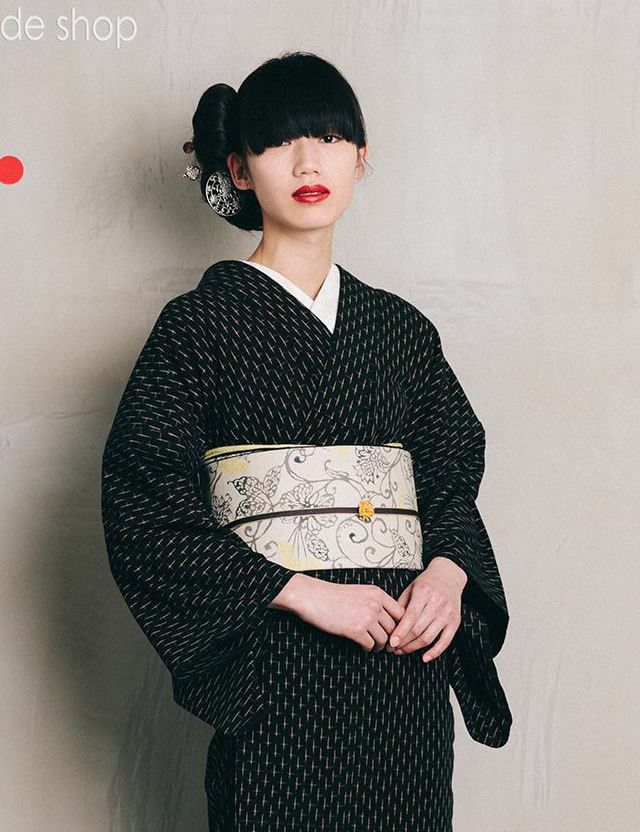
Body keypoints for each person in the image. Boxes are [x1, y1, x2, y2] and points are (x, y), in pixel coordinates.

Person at [101, 50, 512, 832]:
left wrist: (449, 573)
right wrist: (303, 593)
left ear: (361, 156)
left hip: (404, 667)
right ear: (239, 169)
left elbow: (450, 472)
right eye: (277, 142)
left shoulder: (401, 331)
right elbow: (144, 505)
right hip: (279, 671)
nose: (307, 162)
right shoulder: (199, 327)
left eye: (328, 137)